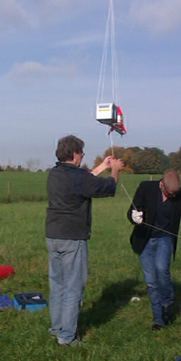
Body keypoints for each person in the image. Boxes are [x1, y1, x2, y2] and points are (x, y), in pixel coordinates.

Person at [46, 135, 124, 346]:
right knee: (73, 287)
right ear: (74, 154)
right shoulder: (79, 177)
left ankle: (56, 328)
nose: (82, 156)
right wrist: (115, 169)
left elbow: (83, 181)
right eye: (81, 153)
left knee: (58, 285)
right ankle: (67, 337)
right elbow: (108, 188)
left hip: (53, 236)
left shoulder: (54, 173)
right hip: (73, 237)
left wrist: (101, 166)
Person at [127, 170, 181, 330]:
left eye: (174, 195)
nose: (172, 198)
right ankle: (159, 319)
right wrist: (134, 217)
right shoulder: (145, 188)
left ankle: (167, 302)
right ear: (161, 184)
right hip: (145, 239)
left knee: (162, 269)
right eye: (169, 194)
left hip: (165, 238)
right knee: (150, 281)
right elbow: (132, 210)